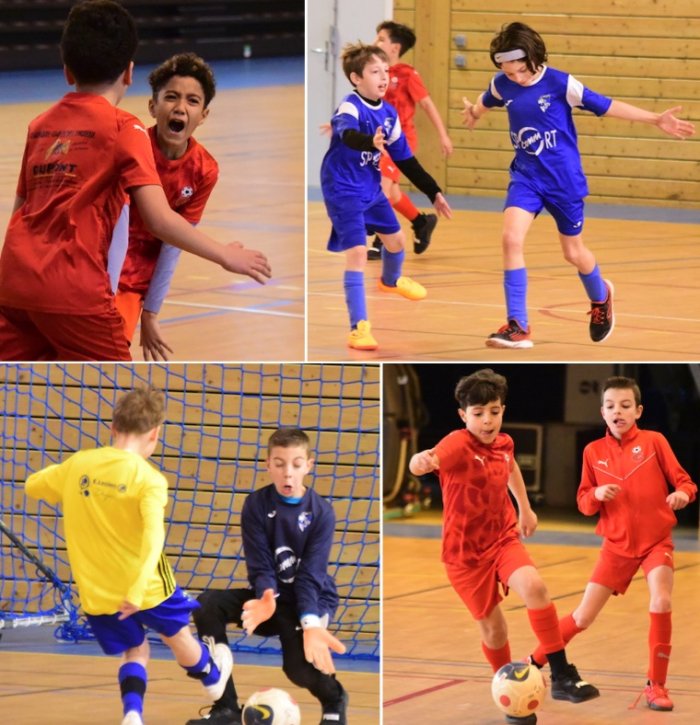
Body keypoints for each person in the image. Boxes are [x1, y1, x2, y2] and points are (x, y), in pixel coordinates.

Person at [0, 0, 271, 362]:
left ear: (66, 70)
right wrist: (225, 254)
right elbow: (159, 220)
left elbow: (20, 213)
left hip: (14, 285)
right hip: (74, 290)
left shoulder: (39, 126)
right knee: (118, 387)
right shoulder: (126, 129)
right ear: (129, 73)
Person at [461, 22, 695, 349]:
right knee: (510, 239)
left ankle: (600, 297)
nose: (516, 78)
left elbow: (608, 106)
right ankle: (518, 325)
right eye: (509, 73)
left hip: (564, 182)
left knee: (573, 253)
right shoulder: (503, 84)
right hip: (526, 178)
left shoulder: (561, 84)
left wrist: (655, 119)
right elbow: (488, 99)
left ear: (533, 58)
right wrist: (474, 112)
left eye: (521, 71)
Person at [24, 387, 233, 725]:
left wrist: (71, 482)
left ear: (113, 427)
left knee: (135, 650)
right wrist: (136, 591)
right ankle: (211, 677)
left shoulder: (79, 464)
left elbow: (33, 485)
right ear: (154, 434)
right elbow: (153, 538)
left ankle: (133, 714)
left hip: (99, 593)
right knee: (177, 635)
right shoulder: (149, 479)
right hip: (146, 587)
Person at [409, 369, 599, 725]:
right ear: (463, 415)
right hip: (465, 555)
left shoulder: (504, 443)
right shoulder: (456, 444)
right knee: (495, 630)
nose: (487, 420)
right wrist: (420, 461)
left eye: (494, 411)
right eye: (478, 413)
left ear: (502, 411)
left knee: (535, 587)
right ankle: (510, 695)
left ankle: (561, 674)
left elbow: (510, 467)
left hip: (502, 538)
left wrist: (524, 508)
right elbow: (425, 460)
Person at [528, 376, 697, 712]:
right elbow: (583, 503)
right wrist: (596, 494)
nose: (617, 411)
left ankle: (656, 685)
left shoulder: (655, 442)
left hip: (655, 543)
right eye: (610, 406)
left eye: (624, 405)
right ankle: (531, 663)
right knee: (582, 617)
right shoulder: (593, 452)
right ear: (602, 412)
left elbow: (686, 483)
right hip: (616, 547)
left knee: (661, 601)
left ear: (638, 411)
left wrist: (682, 494)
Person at [185, 428, 348, 725]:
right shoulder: (256, 505)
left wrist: (310, 623)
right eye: (280, 464)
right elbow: (259, 564)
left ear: (309, 465)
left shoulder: (322, 513)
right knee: (207, 604)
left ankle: (334, 699)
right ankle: (226, 707)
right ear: (268, 464)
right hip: (269, 599)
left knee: (297, 670)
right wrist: (266, 596)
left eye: (296, 464)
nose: (288, 473)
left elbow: (311, 575)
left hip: (308, 601)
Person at [320, 42, 452, 352]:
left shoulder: (389, 114)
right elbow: (347, 134)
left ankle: (390, 281)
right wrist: (370, 141)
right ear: (356, 78)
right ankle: (359, 329)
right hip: (342, 189)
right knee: (358, 253)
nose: (383, 77)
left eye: (385, 71)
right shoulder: (350, 106)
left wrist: (433, 191)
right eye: (374, 72)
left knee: (397, 242)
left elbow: (407, 161)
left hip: (369, 188)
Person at [115, 52, 220, 361]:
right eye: (171, 97)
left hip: (132, 286)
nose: (180, 108)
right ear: (153, 106)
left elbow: (174, 244)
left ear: (203, 115)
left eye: (192, 101)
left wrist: (151, 311)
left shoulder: (204, 170)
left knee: (110, 357)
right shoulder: (129, 146)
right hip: (94, 274)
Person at [367, 20, 453, 260]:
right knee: (392, 193)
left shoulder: (407, 74)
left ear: (395, 48)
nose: (375, 42)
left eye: (381, 39)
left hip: (400, 141)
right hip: (379, 141)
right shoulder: (375, 73)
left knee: (382, 189)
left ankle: (381, 241)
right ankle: (421, 222)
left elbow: (427, 104)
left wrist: (443, 135)